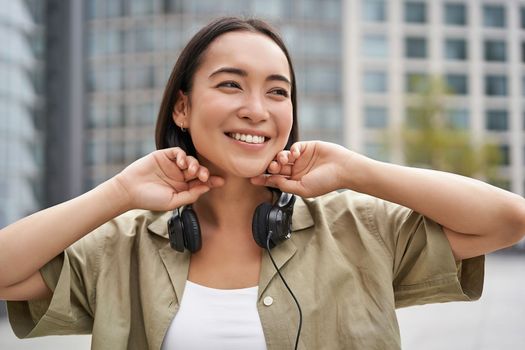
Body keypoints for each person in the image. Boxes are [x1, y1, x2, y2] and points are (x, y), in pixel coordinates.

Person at [1, 16, 524, 350]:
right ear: (182, 106)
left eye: (277, 92)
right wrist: (117, 193)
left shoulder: (357, 228)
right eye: (230, 84)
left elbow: (508, 220)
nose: (256, 110)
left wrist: (357, 170)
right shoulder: (124, 246)